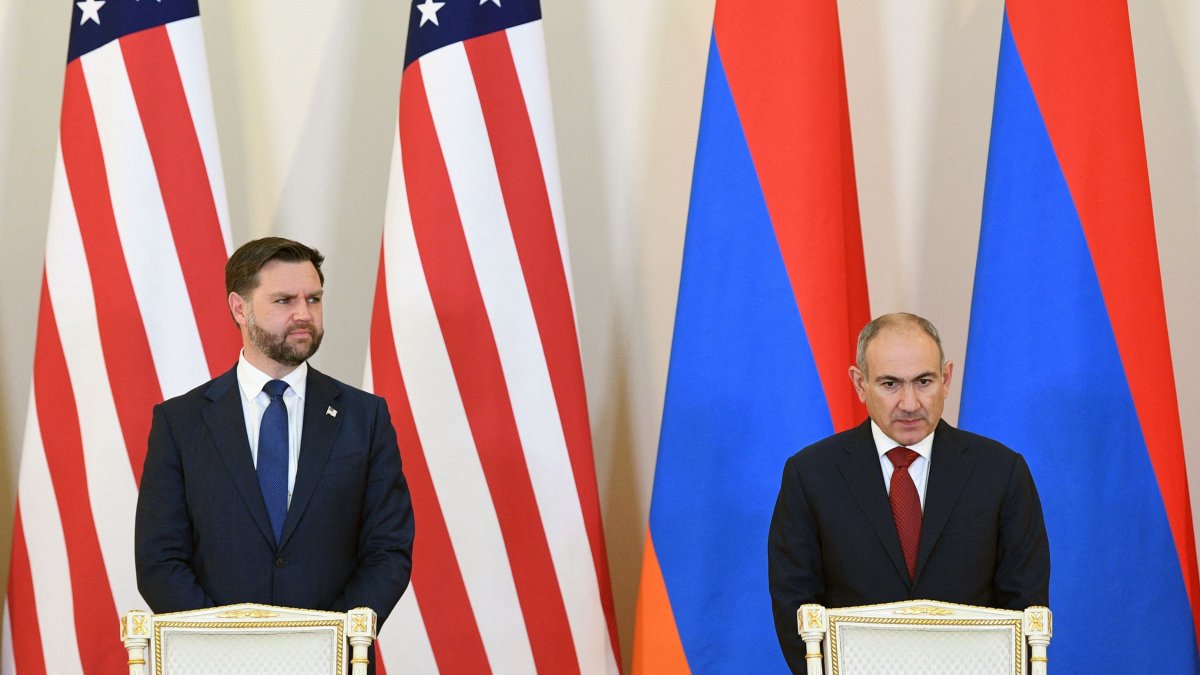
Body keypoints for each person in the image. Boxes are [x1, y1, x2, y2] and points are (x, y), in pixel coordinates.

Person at [135, 237, 415, 633]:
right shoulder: (180, 423)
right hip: (215, 661)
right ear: (240, 308)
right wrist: (228, 645)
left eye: (314, 299)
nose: (305, 313)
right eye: (285, 301)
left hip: (330, 660)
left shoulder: (364, 418)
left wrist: (325, 641)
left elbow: (388, 551)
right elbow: (159, 560)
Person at [767, 312, 1049, 672]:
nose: (910, 403)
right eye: (890, 384)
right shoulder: (811, 475)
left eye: (924, 381)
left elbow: (1025, 609)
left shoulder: (1002, 472)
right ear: (860, 383)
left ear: (946, 379)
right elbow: (797, 607)